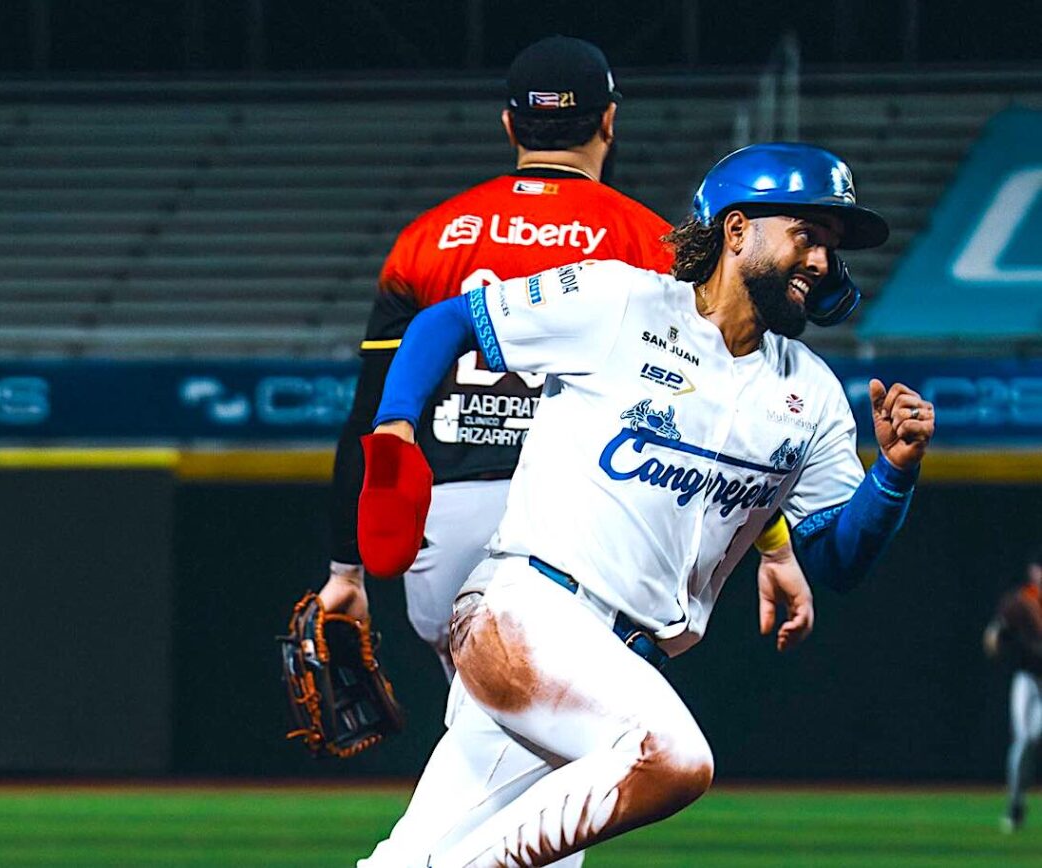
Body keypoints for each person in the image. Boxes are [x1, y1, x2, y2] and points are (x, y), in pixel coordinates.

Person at [354, 141, 935, 867]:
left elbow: (839, 558)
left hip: (616, 664)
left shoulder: (812, 395)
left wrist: (894, 474)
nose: (823, 261)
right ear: (735, 229)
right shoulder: (618, 301)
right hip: (529, 611)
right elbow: (444, 322)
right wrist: (396, 426)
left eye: (833, 246)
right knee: (673, 759)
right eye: (807, 235)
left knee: (406, 858)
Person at [319, 35, 811, 687]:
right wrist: (773, 546)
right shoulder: (649, 241)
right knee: (594, 742)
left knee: (494, 729)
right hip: (584, 522)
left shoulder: (429, 238)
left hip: (450, 513)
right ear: (609, 120)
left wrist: (344, 570)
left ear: (509, 125)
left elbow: (371, 412)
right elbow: (709, 412)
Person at [983, 547, 1042, 832]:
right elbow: (996, 632)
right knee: (1025, 739)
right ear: (1033, 572)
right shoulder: (1021, 601)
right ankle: (1015, 804)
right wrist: (994, 639)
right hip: (1028, 679)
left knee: (1034, 735)